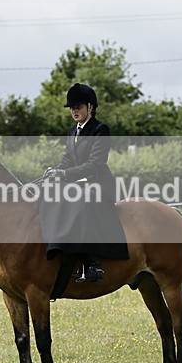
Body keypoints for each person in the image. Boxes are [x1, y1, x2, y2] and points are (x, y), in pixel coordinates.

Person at [40, 83, 129, 282]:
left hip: (98, 184)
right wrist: (54, 170)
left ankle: (94, 264)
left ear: (90, 107)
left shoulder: (100, 129)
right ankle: (55, 246)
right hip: (78, 184)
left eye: (78, 107)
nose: (74, 111)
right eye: (72, 108)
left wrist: (64, 174)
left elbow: (95, 164)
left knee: (80, 204)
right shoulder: (73, 130)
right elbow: (67, 159)